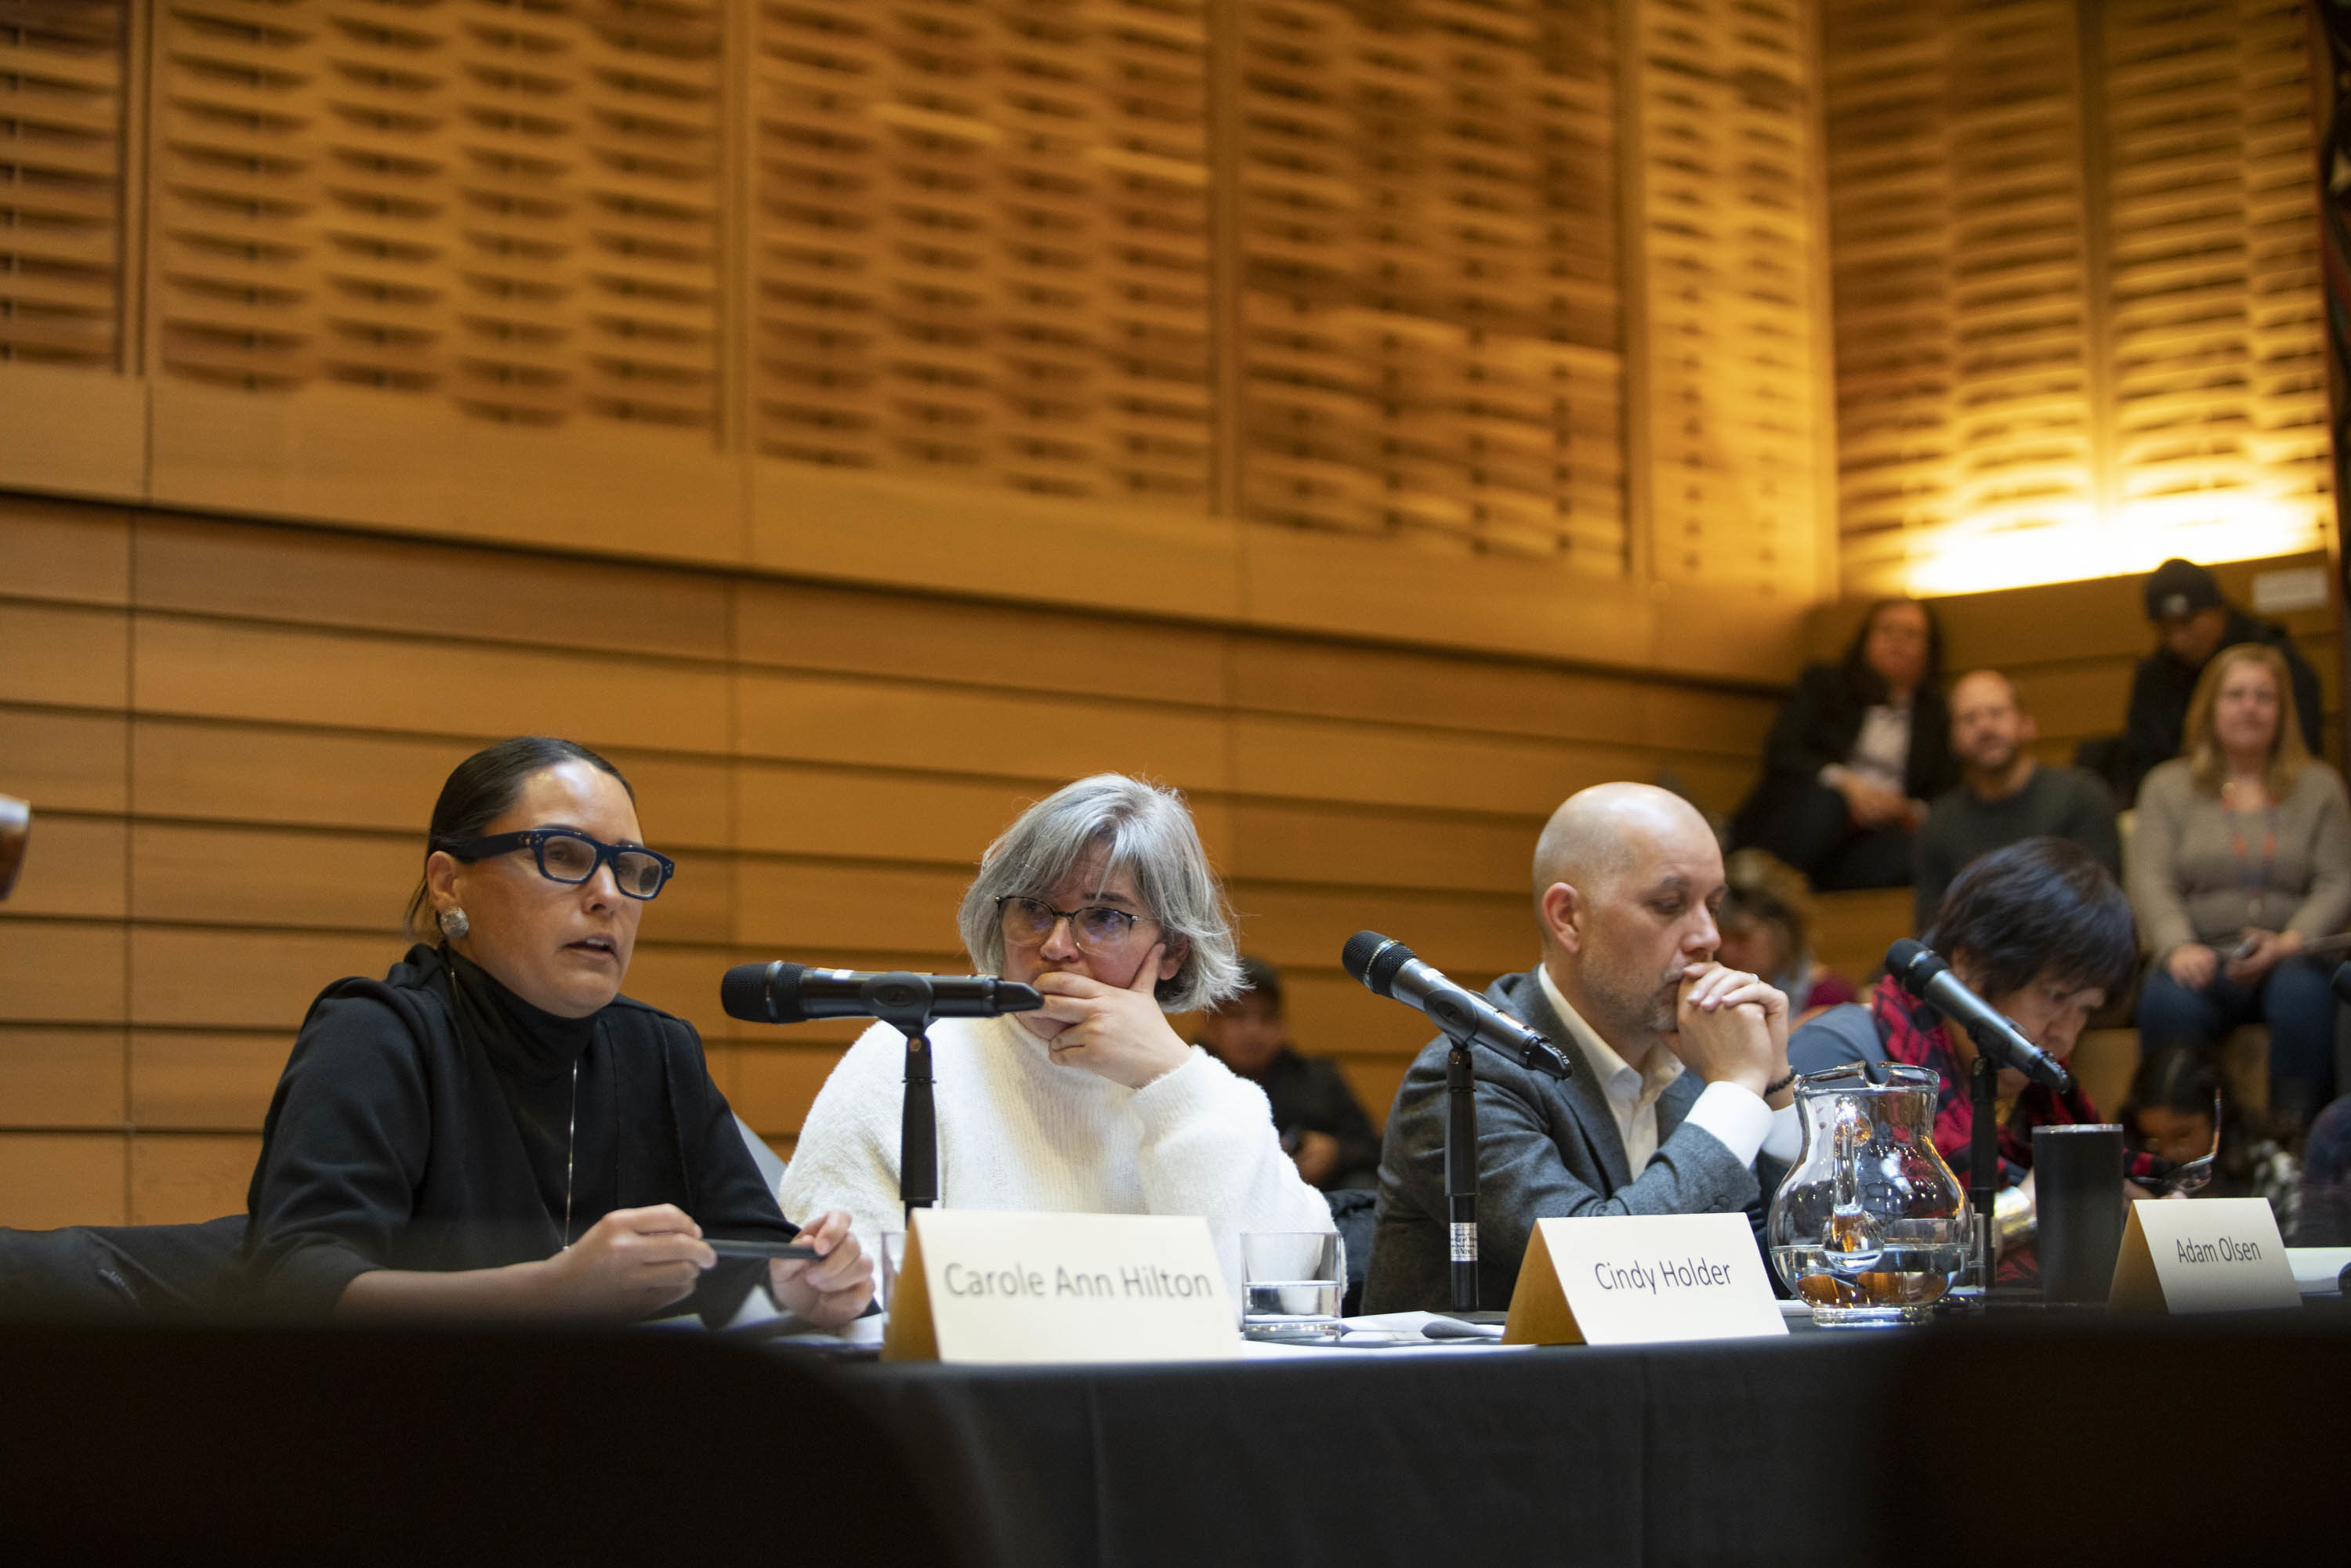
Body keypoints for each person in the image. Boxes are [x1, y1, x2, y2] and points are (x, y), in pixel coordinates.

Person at [245, 737, 872, 1324]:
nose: (608, 895)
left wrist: (795, 1283)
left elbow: (745, 1253)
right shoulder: (375, 1035)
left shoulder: (657, 1051)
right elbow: (297, 1283)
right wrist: (553, 1291)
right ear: (448, 883)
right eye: (563, 855)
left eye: (631, 867)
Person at [776, 774, 1331, 1306]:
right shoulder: (910, 1054)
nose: (1056, 945)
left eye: (1104, 917)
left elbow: (1284, 1290)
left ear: (1173, 951)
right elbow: (832, 1291)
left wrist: (1170, 1079)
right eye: (1033, 908)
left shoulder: (1203, 1090)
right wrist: (828, 1293)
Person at [1364, 783, 1802, 1313]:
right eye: (1669, 905)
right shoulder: (1466, 1077)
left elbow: (1801, 1273)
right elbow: (1601, 1277)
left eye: (1713, 905)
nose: (1709, 936)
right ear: (1568, 917)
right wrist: (1734, 1094)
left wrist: (1773, 1084)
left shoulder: (1700, 1060)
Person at [1788, 838, 2149, 1273]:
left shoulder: (2049, 1102)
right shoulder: (1840, 1055)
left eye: (2085, 1010)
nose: (2066, 1035)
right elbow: (1842, 1252)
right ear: (1969, 964)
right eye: (2055, 997)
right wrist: (2027, 1208)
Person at [2130, 643, 2351, 1132]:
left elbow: (2338, 879)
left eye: (2263, 697)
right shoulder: (2167, 786)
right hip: (2201, 953)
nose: (2250, 707)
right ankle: (2179, 1142)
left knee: (2304, 994)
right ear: (2210, 707)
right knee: (2167, 999)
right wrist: (2177, 945)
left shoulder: (2320, 786)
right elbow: (2151, 878)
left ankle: (2293, 1142)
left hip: (2294, 955)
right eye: (2235, 695)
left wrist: (2289, 942)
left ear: (2282, 711)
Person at [1730, 598, 1958, 890]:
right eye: (1887, 630)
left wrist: (1904, 809)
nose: (1898, 642)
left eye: (1911, 634)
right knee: (1829, 804)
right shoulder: (1825, 685)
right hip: (1808, 816)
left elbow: (1945, 793)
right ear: (1865, 640)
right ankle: (1761, 889)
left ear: (1929, 649)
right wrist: (1846, 784)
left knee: (1919, 850)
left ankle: (1807, 897)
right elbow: (1783, 752)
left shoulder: (1936, 715)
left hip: (1875, 836)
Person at [1913, 669, 2121, 932]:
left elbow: (2100, 907)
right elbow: (1932, 927)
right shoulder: (1939, 822)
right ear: (1952, 739)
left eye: (1996, 713)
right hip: (1975, 954)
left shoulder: (2081, 796)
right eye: (1969, 718)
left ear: (2027, 724)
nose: (1985, 727)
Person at [2121, 557, 2323, 803]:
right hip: (2186, 802)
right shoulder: (2154, 677)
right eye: (2165, 629)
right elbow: (2142, 760)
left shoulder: (2275, 661)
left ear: (2219, 611)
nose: (2178, 640)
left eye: (2187, 623)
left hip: (2279, 794)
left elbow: (2299, 746)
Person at [1196, 956, 1382, 1192]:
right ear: (1210, 1024)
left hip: (1310, 1201)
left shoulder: (1318, 1077)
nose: (1253, 1031)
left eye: (1267, 1018)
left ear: (1282, 1025)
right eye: (1237, 1017)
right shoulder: (1186, 1078)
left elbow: (1374, 1148)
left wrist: (1335, 1152)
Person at [2118, 1048, 2297, 1214]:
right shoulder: (2134, 1178)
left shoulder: (2269, 1172)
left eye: (2183, 1137)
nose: (2168, 1153)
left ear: (2218, 1120)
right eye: (2153, 1141)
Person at [1715, 848, 1857, 1022]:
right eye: (1721, 936)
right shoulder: (1714, 994)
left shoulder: (1831, 997)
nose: (1726, 952)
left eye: (1741, 938)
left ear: (1783, 930)